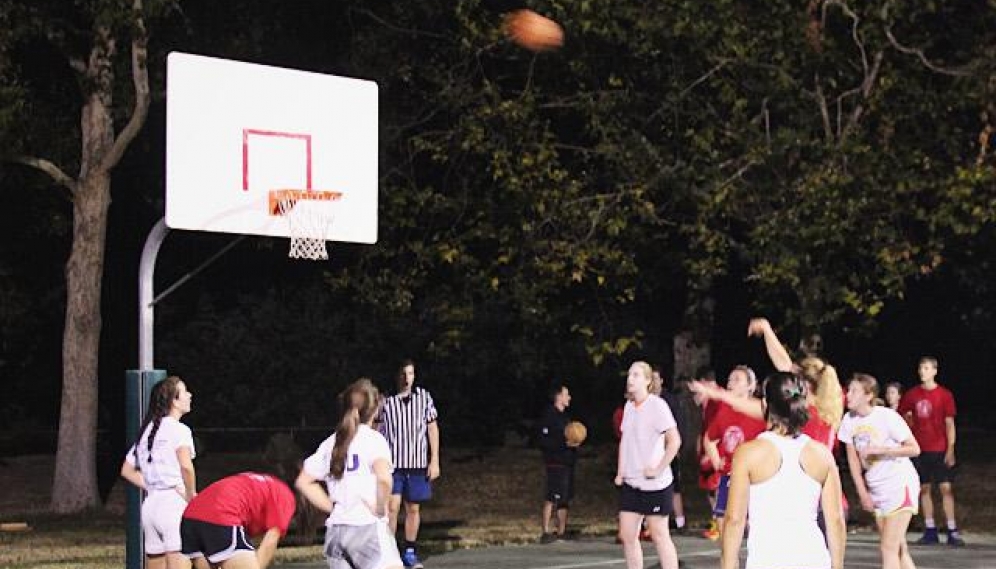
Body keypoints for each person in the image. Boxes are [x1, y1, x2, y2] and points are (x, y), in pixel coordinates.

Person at [721, 372, 845, 569]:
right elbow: (835, 520)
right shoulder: (821, 455)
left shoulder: (748, 453)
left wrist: (728, 564)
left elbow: (734, 519)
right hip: (814, 559)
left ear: (765, 404)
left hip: (768, 560)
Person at [298, 378, 404, 569]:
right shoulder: (373, 440)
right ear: (374, 409)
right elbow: (384, 479)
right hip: (366, 527)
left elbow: (304, 481)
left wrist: (332, 507)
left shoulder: (331, 442)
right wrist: (380, 507)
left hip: (336, 532)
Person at [839, 373, 921, 569]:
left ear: (868, 395)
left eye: (854, 391)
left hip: (899, 485)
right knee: (898, 549)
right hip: (878, 489)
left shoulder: (886, 416)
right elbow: (853, 462)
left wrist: (882, 450)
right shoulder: (848, 420)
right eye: (848, 390)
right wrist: (863, 493)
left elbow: (914, 448)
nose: (848, 395)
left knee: (888, 548)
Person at [120, 376, 197, 569]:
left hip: (151, 506)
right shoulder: (180, 430)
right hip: (173, 505)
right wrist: (190, 495)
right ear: (174, 400)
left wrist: (154, 485)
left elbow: (126, 470)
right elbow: (186, 467)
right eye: (184, 391)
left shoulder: (147, 431)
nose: (190, 395)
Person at [615, 361, 681, 569]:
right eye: (629, 374)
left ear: (647, 380)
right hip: (632, 482)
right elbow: (625, 440)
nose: (630, 379)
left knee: (659, 535)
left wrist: (658, 468)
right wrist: (620, 471)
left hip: (656, 484)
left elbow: (675, 441)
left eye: (636, 375)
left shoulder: (657, 406)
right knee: (627, 535)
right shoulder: (629, 407)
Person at [378, 360, 440, 568]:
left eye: (411, 373)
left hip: (416, 463)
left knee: (413, 508)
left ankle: (410, 550)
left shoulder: (424, 398)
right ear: (396, 376)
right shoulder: (386, 401)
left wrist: (434, 460)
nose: (407, 378)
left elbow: (432, 429)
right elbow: (377, 430)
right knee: (392, 507)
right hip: (392, 465)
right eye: (403, 373)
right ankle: (389, 550)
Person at [898, 357, 963, 546]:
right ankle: (930, 529)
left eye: (926, 368)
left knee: (946, 488)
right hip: (920, 449)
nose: (923, 371)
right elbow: (903, 416)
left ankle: (952, 529)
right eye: (921, 368)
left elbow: (949, 423)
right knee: (924, 488)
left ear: (934, 371)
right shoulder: (912, 395)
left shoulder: (944, 395)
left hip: (939, 447)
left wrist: (950, 448)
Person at [700, 366, 767, 538]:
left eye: (737, 380)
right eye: (729, 380)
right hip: (730, 476)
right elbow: (709, 439)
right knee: (725, 529)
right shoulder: (724, 411)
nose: (730, 383)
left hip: (756, 479)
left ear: (750, 386)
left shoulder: (759, 410)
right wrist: (716, 461)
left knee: (758, 532)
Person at [180, 472, 296, 569]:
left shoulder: (262, 486)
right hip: (220, 515)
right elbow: (270, 540)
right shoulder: (285, 496)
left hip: (190, 517)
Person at [537, 382, 578, 542]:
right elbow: (545, 440)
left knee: (565, 497)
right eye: (566, 394)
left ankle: (561, 530)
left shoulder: (565, 418)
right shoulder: (549, 416)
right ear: (559, 396)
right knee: (552, 496)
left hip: (567, 461)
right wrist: (563, 443)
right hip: (555, 462)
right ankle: (545, 530)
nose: (569, 397)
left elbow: (570, 436)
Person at [654, 369, 688, 535]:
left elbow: (678, 423)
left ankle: (681, 521)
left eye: (655, 378)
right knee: (652, 485)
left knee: (674, 486)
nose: (652, 382)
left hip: (668, 449)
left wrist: (677, 447)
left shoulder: (669, 400)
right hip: (653, 451)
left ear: (661, 380)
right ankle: (654, 521)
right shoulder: (646, 400)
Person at [692, 367, 722, 540]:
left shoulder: (718, 401)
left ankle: (718, 523)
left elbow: (719, 427)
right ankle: (716, 520)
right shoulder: (707, 402)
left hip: (717, 450)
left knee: (715, 486)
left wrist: (712, 451)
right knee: (709, 487)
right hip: (707, 446)